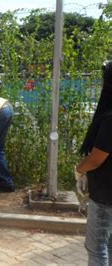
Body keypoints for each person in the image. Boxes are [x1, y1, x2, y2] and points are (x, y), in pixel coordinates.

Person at [76, 60, 112, 265]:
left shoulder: (109, 119)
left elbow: (97, 159)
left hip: (106, 195)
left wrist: (79, 170)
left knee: (97, 248)